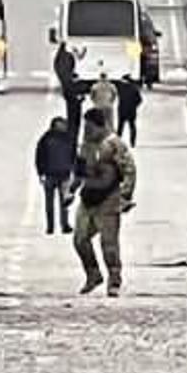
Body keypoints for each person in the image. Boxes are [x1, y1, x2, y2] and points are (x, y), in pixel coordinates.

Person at [70, 108, 136, 297]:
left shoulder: (114, 144)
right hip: (87, 198)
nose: (87, 131)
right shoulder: (86, 145)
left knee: (109, 244)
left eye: (90, 127)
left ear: (101, 126)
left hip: (108, 199)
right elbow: (79, 170)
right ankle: (93, 274)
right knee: (80, 239)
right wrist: (71, 190)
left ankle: (114, 280)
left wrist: (125, 196)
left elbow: (129, 170)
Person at [35, 117, 76, 235]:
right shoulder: (46, 139)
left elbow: (73, 155)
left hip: (64, 174)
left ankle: (64, 224)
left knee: (64, 202)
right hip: (50, 174)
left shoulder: (67, 138)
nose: (64, 126)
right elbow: (39, 157)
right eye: (61, 124)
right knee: (50, 203)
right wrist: (41, 172)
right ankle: (51, 225)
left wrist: (73, 169)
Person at [116, 74, 144, 146]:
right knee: (132, 126)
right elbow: (140, 100)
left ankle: (118, 141)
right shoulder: (134, 88)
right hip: (131, 110)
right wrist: (134, 106)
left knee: (120, 127)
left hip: (122, 110)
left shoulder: (120, 88)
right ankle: (132, 142)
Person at [64, 74, 86, 145]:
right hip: (74, 107)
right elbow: (66, 95)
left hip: (74, 107)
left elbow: (83, 96)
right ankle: (73, 140)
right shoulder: (74, 86)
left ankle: (74, 140)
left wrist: (80, 98)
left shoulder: (72, 86)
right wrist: (78, 98)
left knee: (75, 124)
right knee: (74, 124)